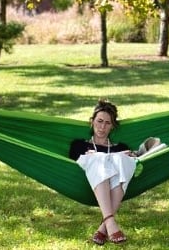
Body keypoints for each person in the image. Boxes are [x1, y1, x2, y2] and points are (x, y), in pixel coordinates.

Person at [69, 99, 137, 245]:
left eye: (107, 123)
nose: (102, 127)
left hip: (111, 187)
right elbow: (74, 162)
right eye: (99, 121)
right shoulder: (79, 145)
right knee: (98, 159)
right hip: (88, 182)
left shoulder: (120, 148)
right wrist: (94, 157)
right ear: (92, 122)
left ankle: (104, 227)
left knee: (123, 160)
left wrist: (129, 156)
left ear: (112, 126)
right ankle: (110, 223)